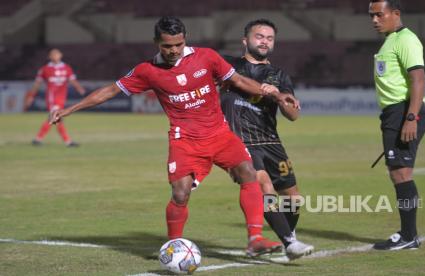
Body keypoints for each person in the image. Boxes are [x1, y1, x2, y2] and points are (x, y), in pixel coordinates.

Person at [50, 16, 299, 257]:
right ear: (157, 43)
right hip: (185, 139)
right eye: (167, 46)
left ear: (185, 39)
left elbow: (239, 81)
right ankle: (172, 245)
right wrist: (70, 109)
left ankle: (255, 239)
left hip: (220, 134)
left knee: (249, 174)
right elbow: (110, 91)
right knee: (180, 193)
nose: (174, 50)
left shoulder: (207, 57)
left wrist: (276, 96)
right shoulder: (147, 70)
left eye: (178, 44)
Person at [220, 19, 313, 260]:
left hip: (271, 142)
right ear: (245, 40)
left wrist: (282, 99)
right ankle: (290, 242)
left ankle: (285, 236)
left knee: (293, 200)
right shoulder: (228, 67)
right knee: (263, 186)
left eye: (269, 38)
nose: (264, 41)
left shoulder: (279, 75)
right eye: (259, 36)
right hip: (239, 141)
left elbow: (292, 115)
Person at [369, 0, 425, 250]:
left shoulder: (406, 39)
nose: (374, 20)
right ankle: (408, 234)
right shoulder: (390, 40)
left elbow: (419, 79)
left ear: (395, 13)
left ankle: (409, 236)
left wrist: (411, 117)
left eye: (379, 15)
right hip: (394, 114)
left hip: (404, 111)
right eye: (371, 16)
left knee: (401, 173)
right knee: (398, 172)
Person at [24, 48, 86, 147]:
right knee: (57, 117)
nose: (55, 56)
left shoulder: (66, 68)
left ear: (61, 55)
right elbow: (37, 84)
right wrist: (31, 96)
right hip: (52, 98)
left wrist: (79, 88)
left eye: (57, 54)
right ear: (49, 57)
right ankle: (68, 142)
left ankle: (37, 139)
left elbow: (72, 80)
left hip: (61, 98)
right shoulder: (45, 69)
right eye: (53, 54)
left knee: (54, 118)